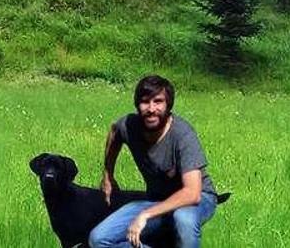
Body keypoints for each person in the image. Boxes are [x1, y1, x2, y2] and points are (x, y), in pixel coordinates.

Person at [88, 75, 220, 248]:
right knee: (98, 240)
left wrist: (145, 215)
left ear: (168, 105)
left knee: (183, 219)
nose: (151, 109)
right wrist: (108, 175)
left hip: (198, 198)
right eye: (145, 102)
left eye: (158, 101)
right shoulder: (129, 125)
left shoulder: (182, 134)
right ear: (137, 105)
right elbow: (115, 132)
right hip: (157, 200)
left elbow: (192, 193)